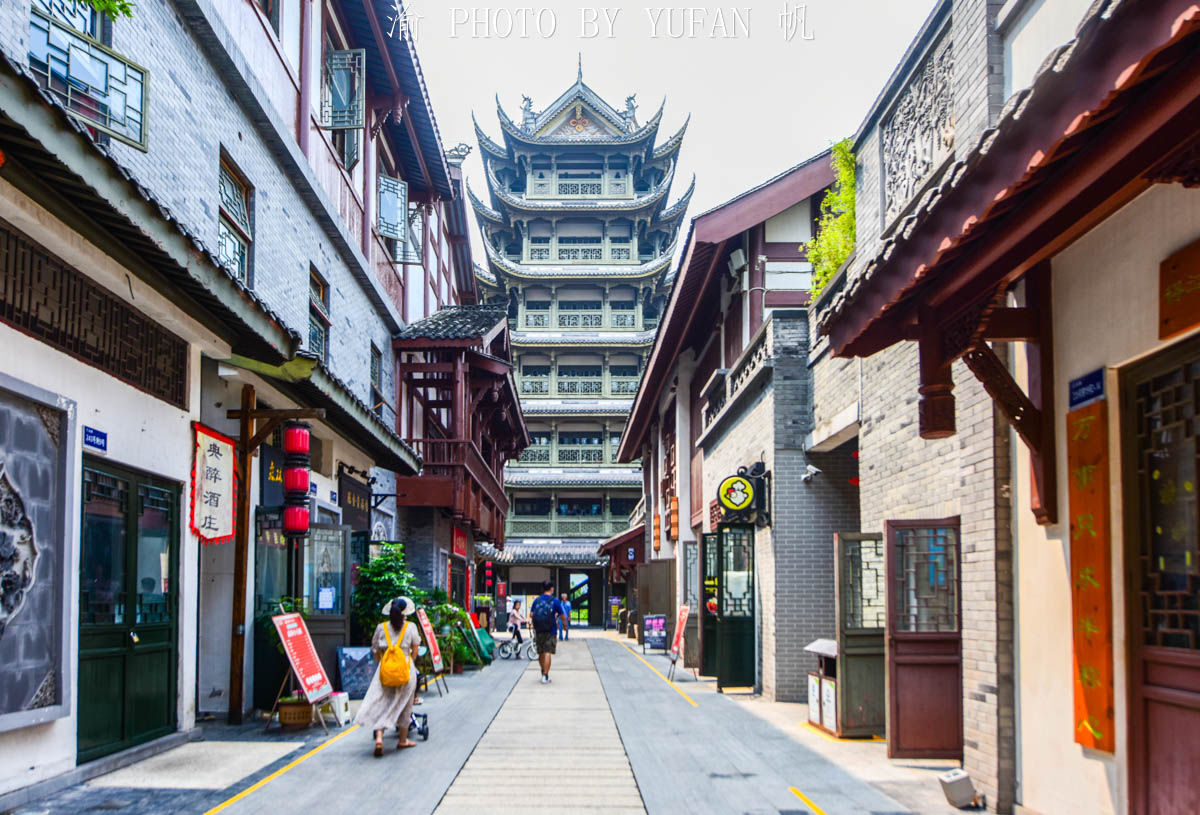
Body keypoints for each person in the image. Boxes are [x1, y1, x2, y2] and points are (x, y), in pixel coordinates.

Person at [354, 596, 420, 756]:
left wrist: (383, 664)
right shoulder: (411, 627)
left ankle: (379, 738)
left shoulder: (381, 628)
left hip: (384, 670)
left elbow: (375, 650)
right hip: (405, 670)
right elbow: (415, 652)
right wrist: (406, 663)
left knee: (382, 704)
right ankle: (403, 741)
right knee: (405, 705)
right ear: (404, 612)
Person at [530, 580, 565, 684]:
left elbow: (532, 614)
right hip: (551, 630)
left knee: (541, 652)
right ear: (551, 589)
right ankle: (545, 675)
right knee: (548, 652)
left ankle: (543, 671)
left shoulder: (537, 600)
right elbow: (562, 615)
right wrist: (565, 625)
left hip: (539, 629)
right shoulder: (555, 601)